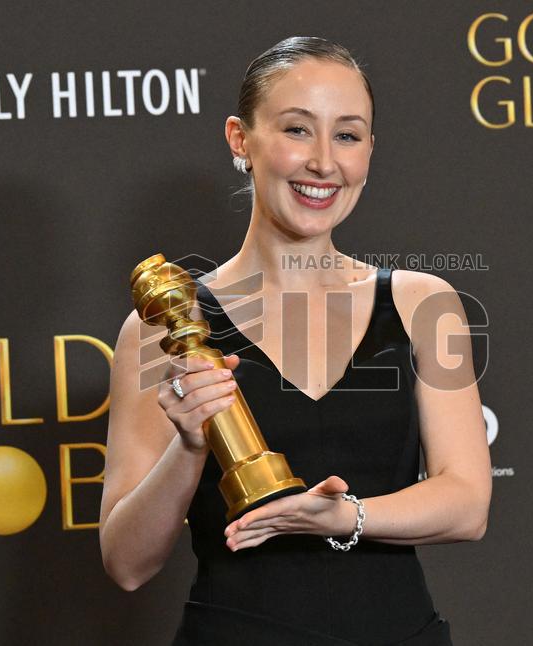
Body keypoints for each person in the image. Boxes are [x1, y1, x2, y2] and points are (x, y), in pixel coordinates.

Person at [99, 36, 492, 645]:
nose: (324, 164)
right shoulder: (166, 328)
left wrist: (344, 516)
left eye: (347, 135)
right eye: (297, 130)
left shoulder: (422, 303)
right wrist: (189, 444)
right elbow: (127, 564)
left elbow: (467, 503)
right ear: (240, 140)